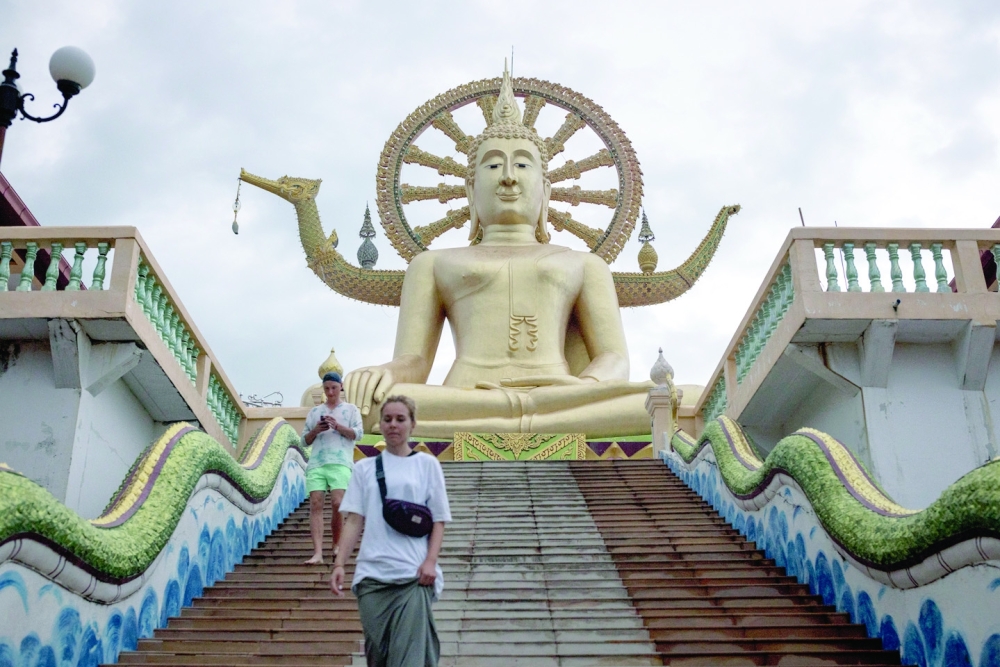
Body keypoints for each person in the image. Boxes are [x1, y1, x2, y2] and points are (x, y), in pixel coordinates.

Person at [342, 66, 653, 438]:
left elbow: (614, 358)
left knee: (663, 398)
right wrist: (383, 374)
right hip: (464, 395)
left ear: (546, 191)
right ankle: (529, 419)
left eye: (522, 163)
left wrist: (587, 385)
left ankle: (525, 416)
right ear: (471, 190)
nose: (508, 176)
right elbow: (415, 361)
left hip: (560, 394)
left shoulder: (584, 264)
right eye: (492, 165)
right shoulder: (433, 264)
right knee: (347, 401)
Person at [331, 396, 450, 667]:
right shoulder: (364, 468)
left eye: (400, 419)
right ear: (380, 424)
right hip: (372, 577)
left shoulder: (427, 465)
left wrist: (430, 561)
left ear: (412, 424)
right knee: (379, 656)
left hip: (412, 575)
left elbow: (439, 520)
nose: (393, 425)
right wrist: (340, 563)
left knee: (409, 659)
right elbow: (353, 521)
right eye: (387, 419)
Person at [302, 371, 363, 564]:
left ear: (341, 387)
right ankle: (318, 552)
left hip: (340, 462)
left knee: (338, 502)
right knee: (316, 503)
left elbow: (358, 434)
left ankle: (337, 543)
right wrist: (317, 429)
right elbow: (304, 441)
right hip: (317, 463)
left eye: (334, 388)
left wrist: (337, 427)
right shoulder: (314, 412)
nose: (330, 392)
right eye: (327, 388)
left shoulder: (351, 410)